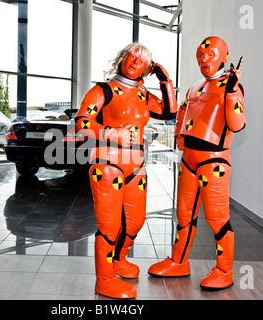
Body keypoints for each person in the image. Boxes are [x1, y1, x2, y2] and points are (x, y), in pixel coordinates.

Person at [75, 43, 177, 298]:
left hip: (136, 166)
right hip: (106, 164)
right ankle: (105, 278)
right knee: (109, 226)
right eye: (131, 56)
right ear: (122, 58)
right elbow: (81, 123)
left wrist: (165, 81)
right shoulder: (103, 90)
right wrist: (112, 133)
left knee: (135, 221)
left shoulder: (143, 95)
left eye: (141, 60)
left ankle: (118, 259)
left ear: (146, 68)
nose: (134, 62)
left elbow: (169, 111)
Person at [148, 36, 246, 290]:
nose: (204, 58)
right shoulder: (194, 87)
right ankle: (179, 261)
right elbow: (182, 111)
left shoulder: (230, 86)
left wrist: (234, 91)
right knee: (184, 215)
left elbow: (237, 124)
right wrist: (180, 135)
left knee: (217, 218)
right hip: (189, 160)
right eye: (201, 55)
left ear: (224, 57)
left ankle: (224, 270)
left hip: (214, 162)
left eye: (211, 54)